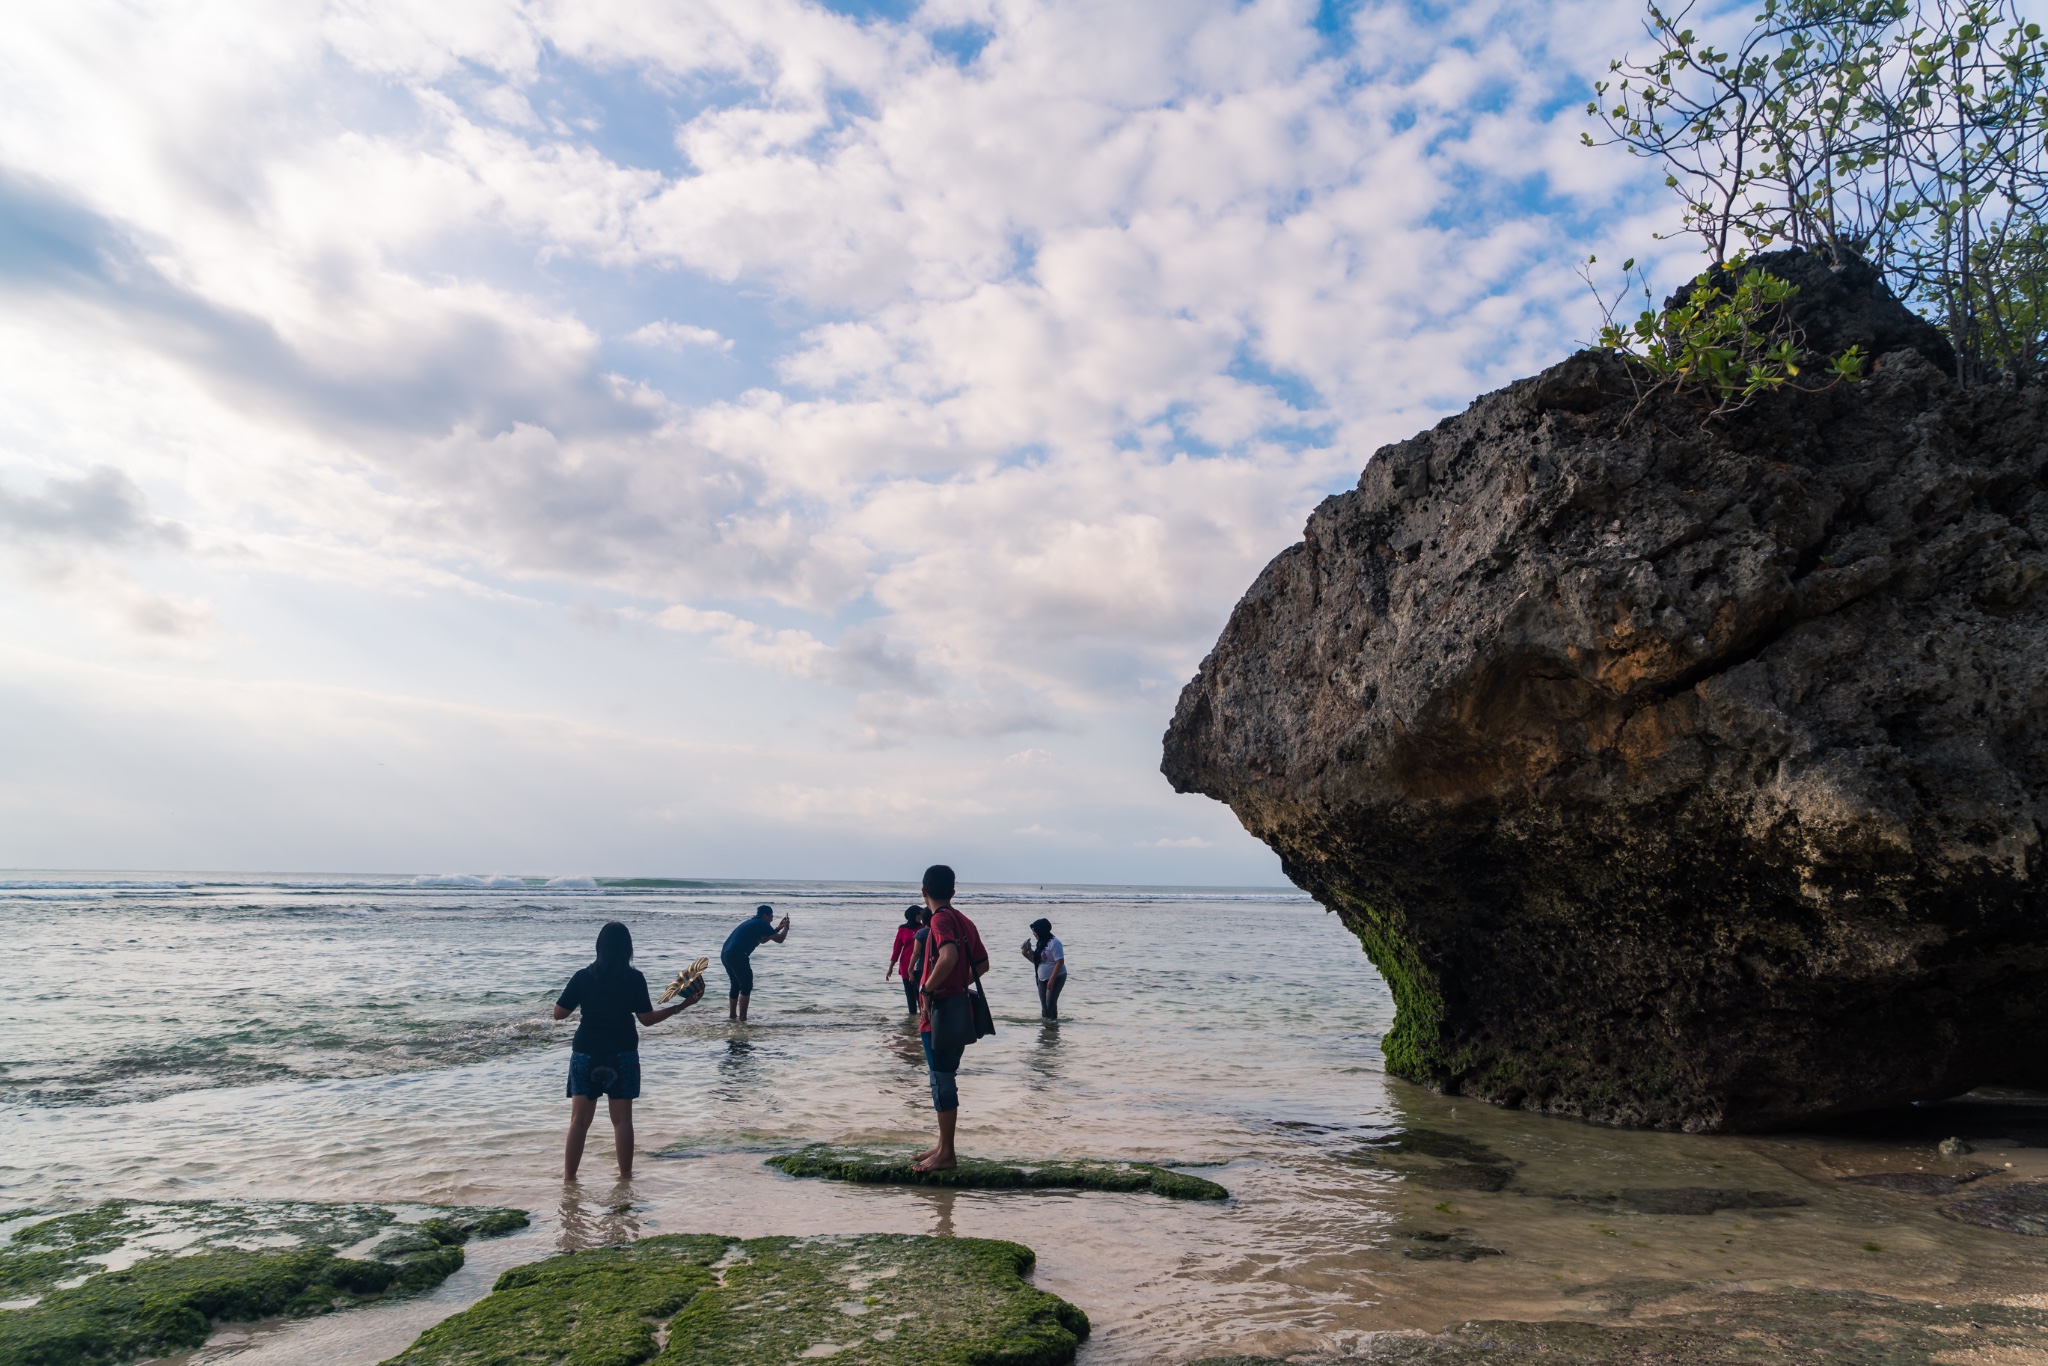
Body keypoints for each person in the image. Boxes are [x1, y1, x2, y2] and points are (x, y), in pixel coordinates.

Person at [552, 921, 703, 1180]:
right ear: (627, 949)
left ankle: (569, 1180)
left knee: (579, 1122)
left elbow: (558, 1014)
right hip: (622, 1051)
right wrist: (681, 1006)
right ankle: (625, 1178)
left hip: (586, 1051)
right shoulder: (634, 978)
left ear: (599, 947)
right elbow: (646, 1019)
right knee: (622, 1121)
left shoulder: (582, 976)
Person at [914, 864, 988, 1173]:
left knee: (941, 1080)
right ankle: (943, 1145)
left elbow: (949, 957)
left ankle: (947, 1154)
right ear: (953, 892)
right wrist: (958, 984)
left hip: (940, 1014)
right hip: (959, 1010)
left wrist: (928, 989)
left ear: (923, 892)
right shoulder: (963, 919)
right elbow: (982, 964)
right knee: (945, 1076)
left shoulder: (940, 919)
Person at [722, 903, 790, 1023]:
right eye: (771, 917)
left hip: (726, 954)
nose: (772, 919)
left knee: (736, 984)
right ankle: (743, 1019)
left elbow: (763, 940)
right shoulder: (762, 924)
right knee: (746, 986)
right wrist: (786, 928)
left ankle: (733, 1016)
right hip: (738, 955)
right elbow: (780, 940)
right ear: (765, 915)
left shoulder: (752, 922)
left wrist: (778, 928)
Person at [1020, 917, 1067, 1019]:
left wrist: (1051, 980)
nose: (1034, 934)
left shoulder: (1054, 943)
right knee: (1044, 1006)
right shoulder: (1041, 943)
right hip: (1042, 978)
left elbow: (1060, 962)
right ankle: (1046, 1029)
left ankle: (1053, 1027)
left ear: (1041, 931)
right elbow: (1038, 962)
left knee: (1050, 1003)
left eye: (1035, 931)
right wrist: (1026, 954)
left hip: (1057, 976)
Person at [885, 905, 923, 1014]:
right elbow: (896, 949)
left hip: (920, 964)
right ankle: (911, 1021)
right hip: (905, 964)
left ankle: (923, 1018)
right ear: (913, 915)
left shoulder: (923, 928)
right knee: (910, 994)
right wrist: (890, 968)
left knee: (920, 993)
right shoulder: (902, 929)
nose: (921, 916)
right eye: (919, 914)